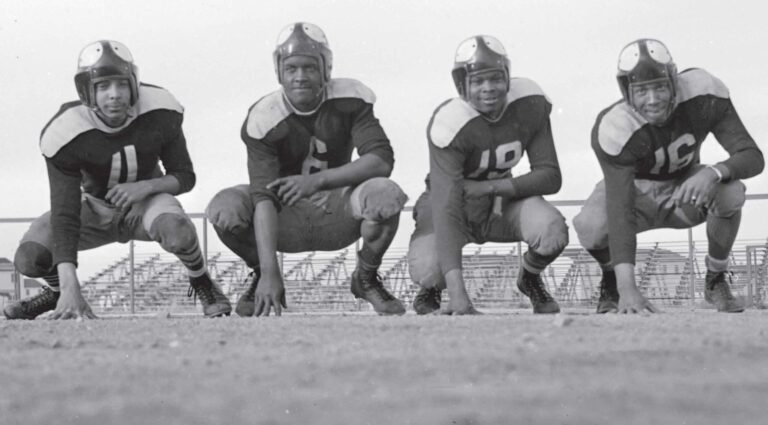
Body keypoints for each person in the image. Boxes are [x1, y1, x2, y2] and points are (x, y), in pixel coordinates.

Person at [3, 40, 231, 320]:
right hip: (93, 207)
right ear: (87, 90)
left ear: (134, 84)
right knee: (30, 256)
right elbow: (65, 211)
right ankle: (57, 293)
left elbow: (185, 177)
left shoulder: (159, 109)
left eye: (122, 84)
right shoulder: (65, 131)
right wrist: (70, 284)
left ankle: (201, 279)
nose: (114, 95)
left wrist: (146, 186)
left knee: (177, 230)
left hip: (147, 204)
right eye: (103, 86)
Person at [206, 22, 408, 317]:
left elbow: (380, 160)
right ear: (279, 72)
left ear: (326, 69)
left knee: (385, 195)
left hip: (337, 206)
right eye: (292, 69)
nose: (300, 77)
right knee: (225, 207)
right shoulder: (264, 116)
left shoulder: (350, 98)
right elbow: (264, 197)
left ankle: (365, 277)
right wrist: (269, 271)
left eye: (310, 68)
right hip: (284, 214)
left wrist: (317, 182)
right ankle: (259, 273)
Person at [573, 38, 764, 314]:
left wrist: (713, 172)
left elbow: (751, 155)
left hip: (683, 189)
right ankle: (613, 279)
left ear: (673, 80)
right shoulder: (615, 126)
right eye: (642, 90)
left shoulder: (703, 93)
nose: (653, 100)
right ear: (627, 91)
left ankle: (715, 277)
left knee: (731, 191)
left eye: (660, 87)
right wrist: (630, 289)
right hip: (634, 193)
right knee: (589, 225)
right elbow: (620, 210)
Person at [407, 35, 568, 315]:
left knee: (552, 229)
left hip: (499, 202)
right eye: (478, 81)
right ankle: (433, 287)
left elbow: (550, 176)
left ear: (507, 76)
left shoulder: (529, 103)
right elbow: (446, 205)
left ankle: (529, 277)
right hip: (449, 202)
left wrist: (490, 187)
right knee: (428, 269)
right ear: (462, 85)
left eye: (495, 78)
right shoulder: (450, 122)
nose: (489, 88)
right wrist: (459, 297)